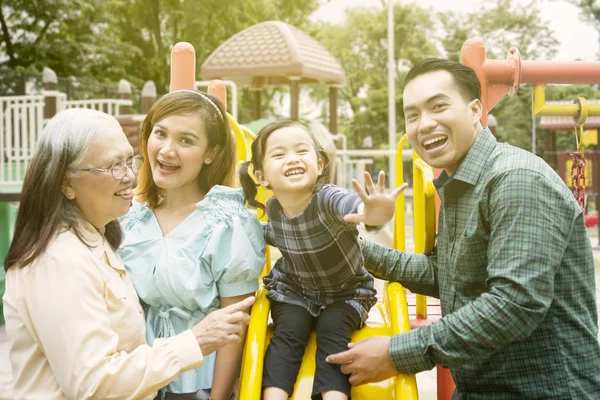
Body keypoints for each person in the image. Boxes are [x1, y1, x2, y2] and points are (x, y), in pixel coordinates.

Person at [327, 58, 600, 398]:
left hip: (543, 390)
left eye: (438, 107)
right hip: (481, 388)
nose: (424, 124)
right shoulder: (460, 183)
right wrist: (351, 251)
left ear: (474, 110)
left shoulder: (516, 180)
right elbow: (450, 276)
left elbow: (514, 305)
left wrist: (396, 353)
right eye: (413, 115)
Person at [2, 108, 255, 400]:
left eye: (128, 160)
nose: (130, 176)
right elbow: (94, 384)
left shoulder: (97, 237)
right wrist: (194, 341)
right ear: (67, 183)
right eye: (113, 167)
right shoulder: (58, 262)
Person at [238, 120, 405, 400]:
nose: (292, 158)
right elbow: (269, 234)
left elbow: (355, 208)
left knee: (332, 332)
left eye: (301, 151)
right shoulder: (273, 209)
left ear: (319, 164)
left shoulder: (327, 199)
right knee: (287, 334)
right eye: (279, 154)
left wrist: (374, 212)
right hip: (295, 291)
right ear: (261, 176)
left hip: (346, 293)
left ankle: (334, 395)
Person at [118, 89, 266, 400]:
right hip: (139, 376)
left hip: (198, 381)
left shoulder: (227, 223)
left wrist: (219, 396)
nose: (167, 150)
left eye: (186, 140)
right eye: (160, 133)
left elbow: (234, 326)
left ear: (210, 153)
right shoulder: (132, 219)